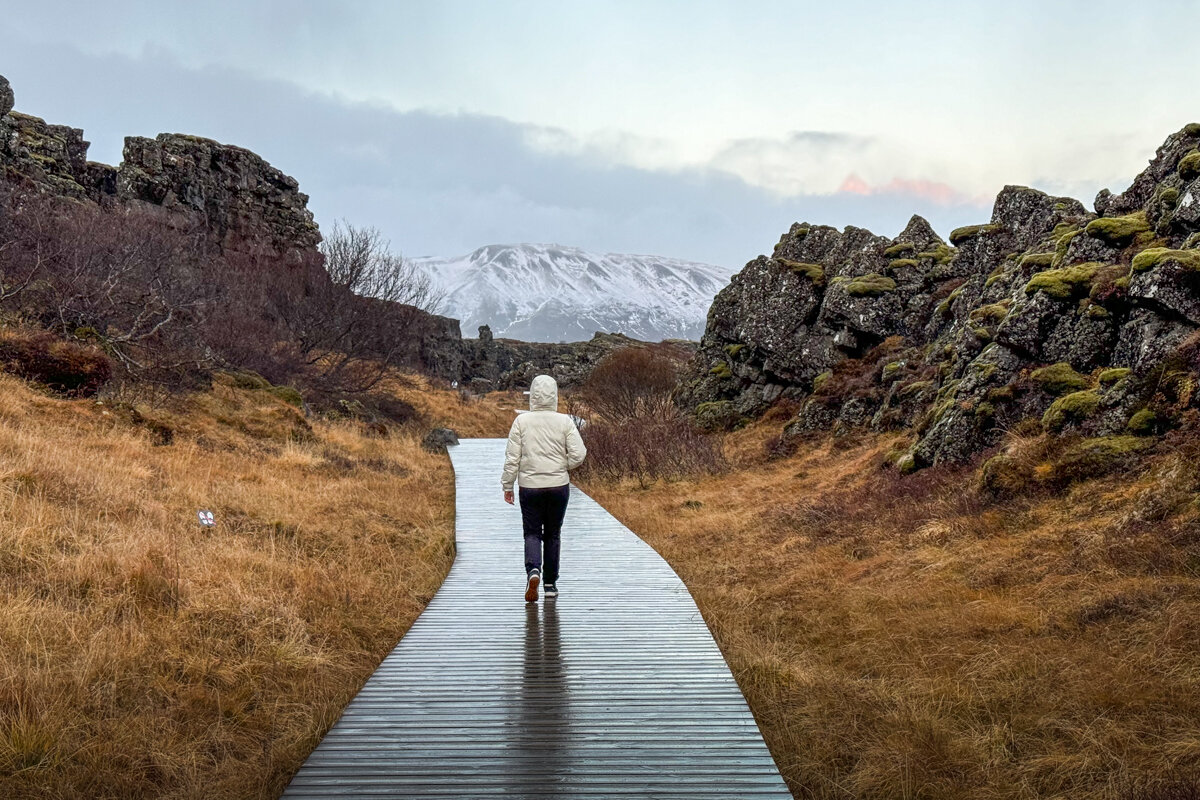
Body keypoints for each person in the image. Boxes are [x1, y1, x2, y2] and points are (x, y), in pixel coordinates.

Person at [501, 374, 587, 603]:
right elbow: (579, 454)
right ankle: (550, 584)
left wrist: (507, 485)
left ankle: (533, 571)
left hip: (529, 488)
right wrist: (562, 467)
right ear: (555, 395)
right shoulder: (565, 421)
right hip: (558, 486)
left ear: (533, 395)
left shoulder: (521, 422)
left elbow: (512, 458)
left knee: (531, 532)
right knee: (553, 534)